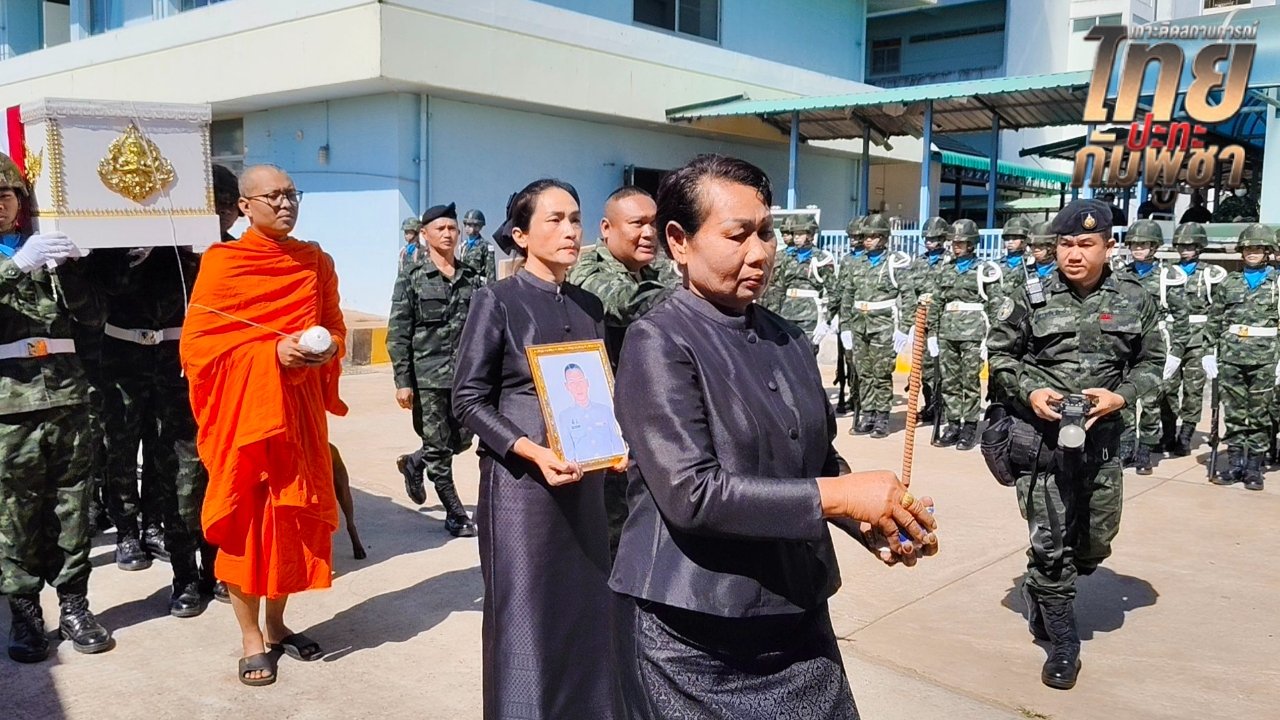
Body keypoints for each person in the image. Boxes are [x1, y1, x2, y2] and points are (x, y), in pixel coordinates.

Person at [610, 154, 937, 719]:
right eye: (738, 235)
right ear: (679, 241)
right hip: (695, 637)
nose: (760, 253)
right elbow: (694, 494)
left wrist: (873, 518)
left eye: (766, 233)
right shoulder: (658, 341)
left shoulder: (788, 338)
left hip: (796, 618)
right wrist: (840, 497)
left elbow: (815, 459)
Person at [452, 178, 624, 719]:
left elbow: (599, 392)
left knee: (587, 612)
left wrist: (615, 444)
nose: (570, 230)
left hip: (586, 485)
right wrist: (530, 450)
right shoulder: (497, 301)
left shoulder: (590, 304)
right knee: (526, 619)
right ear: (521, 235)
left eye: (575, 218)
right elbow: (468, 400)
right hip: (522, 491)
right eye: (555, 220)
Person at [986, 198, 1163, 690]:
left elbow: (1153, 363)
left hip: (1101, 442)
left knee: (1094, 541)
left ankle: (1044, 585)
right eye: (1065, 244)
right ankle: (1062, 642)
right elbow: (999, 354)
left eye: (1087, 244)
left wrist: (1120, 396)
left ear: (1109, 246)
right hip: (1041, 444)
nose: (1074, 254)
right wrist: (1031, 391)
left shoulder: (1135, 297)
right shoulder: (1029, 294)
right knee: (1053, 544)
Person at [181, 165, 347, 686]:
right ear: (244, 207)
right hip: (247, 419)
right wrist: (271, 352)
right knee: (248, 523)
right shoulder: (223, 263)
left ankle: (277, 626)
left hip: (297, 416)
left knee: (293, 522)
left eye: (291, 194)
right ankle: (251, 636)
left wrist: (327, 350)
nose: (284, 204)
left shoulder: (313, 261)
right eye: (271, 196)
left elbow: (335, 326)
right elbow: (199, 348)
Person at [0, 152, 116, 663]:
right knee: (14, 515)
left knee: (72, 506)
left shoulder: (45, 245)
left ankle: (75, 605)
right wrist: (14, 267)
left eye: (5, 197)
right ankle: (24, 615)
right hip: (8, 406)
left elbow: (94, 318)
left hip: (68, 399)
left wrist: (67, 270)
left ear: (19, 202)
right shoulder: (19, 258)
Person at [89, 238, 207, 618]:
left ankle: (154, 523)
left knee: (166, 451)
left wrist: (188, 253)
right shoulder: (113, 244)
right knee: (121, 448)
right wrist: (133, 257)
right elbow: (106, 289)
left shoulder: (186, 249)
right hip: (122, 356)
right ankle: (126, 531)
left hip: (170, 358)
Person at [567, 185, 678, 557]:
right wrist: (698, 288)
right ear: (607, 228)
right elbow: (622, 304)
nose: (649, 233)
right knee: (614, 529)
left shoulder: (656, 270)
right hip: (605, 423)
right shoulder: (588, 270)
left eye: (654, 224)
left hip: (651, 416)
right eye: (637, 224)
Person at [388, 202, 478, 538]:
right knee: (439, 450)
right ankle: (455, 514)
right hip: (427, 378)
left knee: (462, 440)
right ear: (424, 235)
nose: (448, 234)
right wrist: (403, 381)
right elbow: (398, 331)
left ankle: (415, 462)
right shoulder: (412, 278)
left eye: (452, 228)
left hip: (465, 377)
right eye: (440, 229)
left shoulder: (471, 279)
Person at [1203, 223, 1279, 491]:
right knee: (1234, 414)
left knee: (1259, 414)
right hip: (1231, 358)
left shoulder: (1277, 283)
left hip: (1266, 359)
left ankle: (1253, 468)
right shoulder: (1229, 282)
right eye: (1248, 248)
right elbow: (1215, 319)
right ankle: (1235, 464)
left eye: (1258, 248)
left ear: (1268, 251)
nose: (1252, 252)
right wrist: (1208, 352)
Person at [1116, 221, 1189, 475]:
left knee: (1150, 400)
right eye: (1134, 244)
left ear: (1154, 247)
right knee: (1123, 398)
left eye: (1143, 244)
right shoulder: (1121, 275)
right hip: (1125, 342)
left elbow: (1181, 317)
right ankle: (1126, 447)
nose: (1138, 249)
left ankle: (1145, 450)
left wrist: (1176, 352)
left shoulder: (1167, 277)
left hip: (1154, 342)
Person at [838, 213, 915, 438]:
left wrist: (904, 328)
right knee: (863, 372)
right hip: (859, 324)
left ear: (883, 238)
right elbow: (847, 295)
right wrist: (845, 327)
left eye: (873, 236)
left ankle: (882, 417)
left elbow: (908, 296)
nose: (867, 240)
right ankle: (867, 414)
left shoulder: (894, 262)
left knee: (881, 373)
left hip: (883, 324)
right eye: (865, 236)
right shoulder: (857, 262)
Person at [930, 219, 1000, 451]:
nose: (956, 246)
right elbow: (937, 301)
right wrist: (932, 331)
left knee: (969, 381)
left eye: (961, 242)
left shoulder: (984, 270)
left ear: (972, 244)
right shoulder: (945, 268)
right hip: (948, 331)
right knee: (949, 381)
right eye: (954, 242)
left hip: (973, 333)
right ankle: (953, 425)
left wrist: (991, 337)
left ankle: (969, 426)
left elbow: (995, 304)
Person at [1165, 222, 1219, 457]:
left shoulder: (1210, 273)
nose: (1184, 249)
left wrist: (1212, 344)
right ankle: (1167, 432)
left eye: (1190, 246)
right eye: (1181, 245)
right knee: (1166, 387)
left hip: (1198, 338)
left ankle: (1185, 434)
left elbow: (1218, 309)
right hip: (1172, 336)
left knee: (1193, 389)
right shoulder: (1168, 272)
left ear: (1199, 247)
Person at [762, 214, 838, 352]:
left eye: (800, 234)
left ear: (810, 235)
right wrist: (773, 315)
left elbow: (834, 292)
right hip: (787, 313)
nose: (796, 237)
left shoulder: (822, 259)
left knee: (807, 353)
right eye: (794, 234)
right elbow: (779, 289)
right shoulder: (788, 258)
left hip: (810, 315)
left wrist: (826, 321)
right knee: (788, 353)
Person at [910, 217, 950, 423]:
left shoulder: (950, 261)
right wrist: (911, 323)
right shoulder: (919, 262)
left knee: (942, 368)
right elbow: (911, 292)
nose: (928, 241)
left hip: (944, 324)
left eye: (933, 238)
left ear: (943, 238)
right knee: (925, 367)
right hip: (922, 322)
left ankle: (943, 408)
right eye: (926, 238)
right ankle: (930, 405)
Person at [557, 364, 625, 463]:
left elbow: (617, 442)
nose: (578, 387)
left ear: (587, 382)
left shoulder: (604, 410)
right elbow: (569, 452)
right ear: (567, 386)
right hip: (584, 473)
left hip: (611, 469)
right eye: (572, 383)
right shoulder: (565, 417)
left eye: (580, 381)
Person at [458, 208, 497, 286]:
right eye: (466, 224)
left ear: (478, 227)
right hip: (464, 286)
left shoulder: (485, 246)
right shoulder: (463, 246)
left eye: (470, 225)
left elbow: (490, 273)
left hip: (478, 287)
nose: (467, 227)